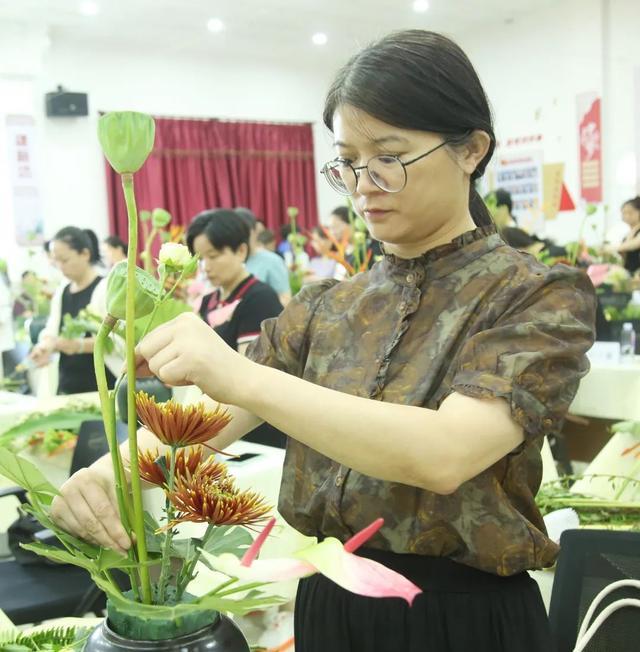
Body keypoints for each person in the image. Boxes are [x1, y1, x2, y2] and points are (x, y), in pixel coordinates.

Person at [51, 30, 596, 651]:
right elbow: (208, 418)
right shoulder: (326, 306)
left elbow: (445, 454)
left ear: (471, 149)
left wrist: (242, 374)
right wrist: (110, 471)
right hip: (331, 603)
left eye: (389, 157)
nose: (364, 184)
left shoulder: (537, 294)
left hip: (461, 618)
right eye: (348, 162)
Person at [30, 227, 117, 394]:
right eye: (56, 262)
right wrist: (45, 346)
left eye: (65, 260)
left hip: (101, 387)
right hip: (67, 386)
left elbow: (116, 342)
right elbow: (51, 330)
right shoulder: (62, 291)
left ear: (85, 254)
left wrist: (77, 345)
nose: (60, 267)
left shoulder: (105, 288)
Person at [187, 209, 283, 355]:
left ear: (241, 251)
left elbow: (251, 369)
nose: (205, 267)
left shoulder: (260, 299)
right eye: (200, 259)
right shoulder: (209, 300)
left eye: (213, 256)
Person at [235, 207, 292, 305]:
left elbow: (285, 299)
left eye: (245, 232)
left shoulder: (272, 261)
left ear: (254, 232)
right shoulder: (230, 260)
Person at [617, 196, 640, 274]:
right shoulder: (627, 235)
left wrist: (612, 248)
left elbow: (635, 244)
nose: (627, 216)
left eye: (630, 212)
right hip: (629, 275)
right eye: (624, 213)